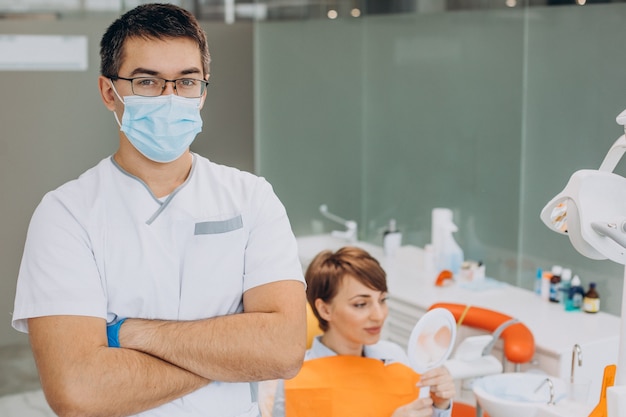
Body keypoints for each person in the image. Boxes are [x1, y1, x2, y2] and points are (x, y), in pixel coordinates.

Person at [11, 4, 306, 417]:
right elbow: (78, 391)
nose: (170, 97)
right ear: (109, 92)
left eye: (186, 81)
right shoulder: (65, 214)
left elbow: (285, 349)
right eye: (147, 81)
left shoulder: (252, 197)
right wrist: (233, 357)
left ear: (203, 92)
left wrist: (130, 332)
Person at [270, 247, 455, 417]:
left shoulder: (395, 358)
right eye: (360, 304)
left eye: (382, 300)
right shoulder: (295, 379)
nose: (379, 315)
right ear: (325, 310)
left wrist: (440, 406)